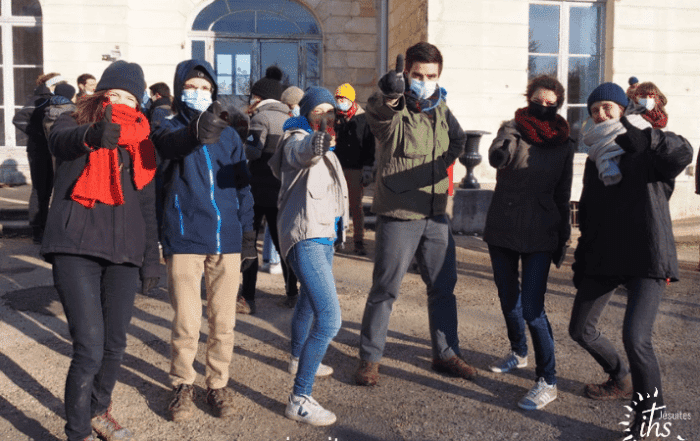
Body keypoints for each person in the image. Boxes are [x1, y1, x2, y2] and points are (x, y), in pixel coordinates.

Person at [568, 82, 693, 441]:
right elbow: (588, 210)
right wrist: (582, 261)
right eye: (594, 110)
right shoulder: (595, 157)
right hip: (606, 255)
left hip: (646, 254)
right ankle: (619, 376)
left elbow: (682, 153)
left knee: (636, 337)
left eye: (607, 107)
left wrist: (649, 137)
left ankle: (650, 416)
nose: (600, 114)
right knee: (580, 329)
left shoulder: (647, 143)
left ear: (623, 110)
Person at [41, 60, 158, 441]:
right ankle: (77, 433)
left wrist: (150, 261)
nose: (122, 101)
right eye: (115, 93)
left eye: (130, 97)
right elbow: (60, 142)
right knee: (89, 346)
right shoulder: (73, 120)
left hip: (123, 253)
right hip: (75, 247)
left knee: (115, 345)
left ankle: (97, 411)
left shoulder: (141, 140)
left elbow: (146, 204)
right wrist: (93, 135)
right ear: (100, 95)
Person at [353, 42, 473, 386]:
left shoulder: (440, 107)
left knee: (443, 288)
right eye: (417, 75)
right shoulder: (396, 106)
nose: (424, 81)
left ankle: (446, 353)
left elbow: (458, 139)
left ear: (439, 76)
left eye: (431, 75)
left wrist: (440, 167)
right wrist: (390, 94)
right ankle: (370, 359)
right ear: (407, 74)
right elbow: (380, 114)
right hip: (399, 213)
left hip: (436, 215)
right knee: (385, 289)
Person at [151, 59, 255, 422]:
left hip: (225, 238)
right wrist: (196, 131)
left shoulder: (229, 135)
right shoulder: (167, 127)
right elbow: (167, 150)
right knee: (186, 319)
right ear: (180, 89)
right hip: (184, 236)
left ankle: (217, 382)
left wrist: (248, 232)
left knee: (223, 320)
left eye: (205, 88)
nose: (199, 93)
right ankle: (182, 382)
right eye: (192, 87)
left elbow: (243, 186)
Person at [483, 75, 574, 410]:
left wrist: (563, 236)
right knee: (509, 299)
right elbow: (499, 154)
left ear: (559, 104)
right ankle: (518, 352)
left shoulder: (565, 143)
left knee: (533, 309)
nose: (544, 106)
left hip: (541, 230)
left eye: (551, 103)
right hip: (504, 225)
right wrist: (501, 147)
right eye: (539, 100)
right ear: (529, 97)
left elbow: (563, 195)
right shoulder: (512, 128)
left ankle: (547, 380)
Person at [268, 86, 348, 426]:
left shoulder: (329, 142)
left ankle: (297, 357)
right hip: (306, 237)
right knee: (330, 319)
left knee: (306, 303)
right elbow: (299, 153)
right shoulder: (296, 136)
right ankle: (300, 397)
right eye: (320, 111)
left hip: (323, 235)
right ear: (308, 112)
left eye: (331, 112)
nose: (325, 117)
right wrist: (312, 144)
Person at [239, 65, 299, 314]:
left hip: (257, 191)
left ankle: (249, 297)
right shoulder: (290, 119)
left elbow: (252, 151)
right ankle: (292, 292)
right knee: (283, 244)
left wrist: (242, 143)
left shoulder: (260, 119)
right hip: (282, 192)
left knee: (250, 243)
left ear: (259, 97)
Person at [12, 72, 66, 243]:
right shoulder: (38, 99)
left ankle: (44, 227)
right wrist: (38, 134)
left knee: (48, 190)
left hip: (49, 150)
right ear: (51, 84)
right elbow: (18, 119)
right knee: (39, 190)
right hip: (38, 151)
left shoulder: (51, 98)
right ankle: (37, 230)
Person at [334, 83, 376, 255]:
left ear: (351, 100)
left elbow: (369, 145)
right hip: (337, 167)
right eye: (337, 99)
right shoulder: (335, 118)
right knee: (335, 205)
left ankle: (358, 241)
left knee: (355, 206)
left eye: (342, 99)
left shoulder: (364, 119)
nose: (339, 102)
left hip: (356, 168)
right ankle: (336, 239)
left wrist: (367, 168)